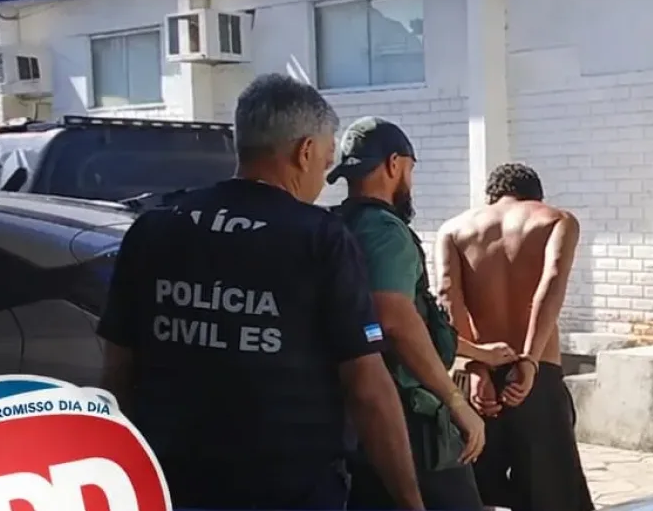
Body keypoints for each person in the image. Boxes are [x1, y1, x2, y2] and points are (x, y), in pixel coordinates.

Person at [96, 74, 424, 510]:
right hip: (289, 491)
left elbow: (118, 370)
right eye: (325, 162)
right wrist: (410, 500)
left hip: (173, 485)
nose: (322, 178)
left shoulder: (154, 228)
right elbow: (367, 387)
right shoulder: (318, 239)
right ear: (304, 152)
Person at [329, 117, 509, 511]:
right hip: (406, 418)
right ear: (394, 164)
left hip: (349, 417)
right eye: (410, 169)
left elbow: (412, 322)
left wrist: (480, 353)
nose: (410, 180)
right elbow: (395, 319)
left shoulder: (335, 225)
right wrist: (456, 402)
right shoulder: (385, 232)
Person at [436, 163, 595, 511]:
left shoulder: (453, 230)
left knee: (476, 492)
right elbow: (551, 284)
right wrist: (529, 361)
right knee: (554, 496)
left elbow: (447, 297)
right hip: (536, 375)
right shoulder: (556, 220)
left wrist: (476, 366)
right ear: (536, 196)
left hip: (478, 380)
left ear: (491, 197)